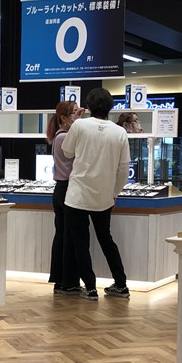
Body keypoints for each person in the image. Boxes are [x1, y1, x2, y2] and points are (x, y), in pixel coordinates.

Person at [62, 87, 131, 301]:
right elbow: (123, 169)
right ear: (110, 107)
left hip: (77, 195)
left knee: (80, 242)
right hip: (104, 197)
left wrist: (75, 123)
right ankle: (121, 284)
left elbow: (67, 152)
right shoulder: (120, 132)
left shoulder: (79, 125)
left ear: (88, 105)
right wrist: (114, 193)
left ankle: (90, 287)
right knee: (106, 240)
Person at [46, 100, 84, 295]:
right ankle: (67, 281)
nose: (78, 116)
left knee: (64, 234)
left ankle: (62, 281)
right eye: (74, 113)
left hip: (63, 189)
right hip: (66, 189)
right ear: (63, 118)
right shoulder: (64, 138)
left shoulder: (60, 136)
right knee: (67, 236)